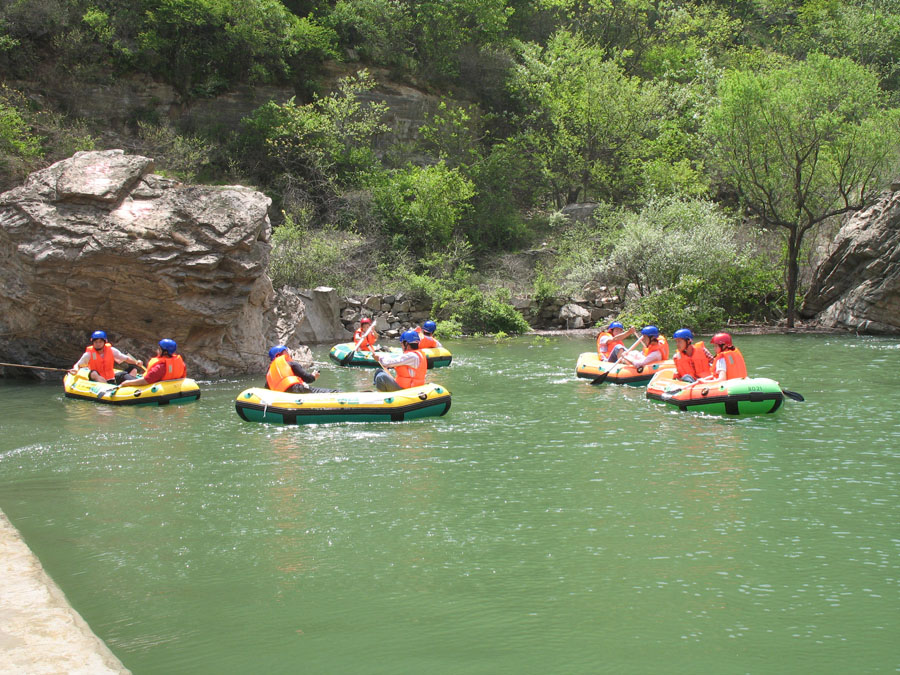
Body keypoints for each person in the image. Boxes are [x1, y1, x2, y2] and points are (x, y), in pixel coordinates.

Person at [69, 330, 142, 384]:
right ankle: (106, 386)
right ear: (93, 342)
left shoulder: (111, 350)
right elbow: (78, 365)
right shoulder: (88, 354)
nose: (98, 344)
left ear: (105, 342)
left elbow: (126, 359)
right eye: (96, 342)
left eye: (100, 342)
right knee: (93, 373)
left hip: (111, 379)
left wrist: (136, 362)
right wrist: (75, 369)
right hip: (98, 380)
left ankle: (135, 383)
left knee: (133, 369)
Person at [108, 339, 187, 388]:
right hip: (169, 386)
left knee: (120, 375)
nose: (157, 350)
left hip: (151, 387)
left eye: (159, 349)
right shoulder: (181, 363)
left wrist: (127, 383)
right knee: (132, 369)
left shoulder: (160, 367)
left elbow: (146, 381)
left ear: (165, 352)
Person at [266, 346, 337, 394]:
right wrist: (313, 376)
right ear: (279, 354)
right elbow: (307, 378)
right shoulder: (292, 364)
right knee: (335, 392)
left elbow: (267, 387)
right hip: (297, 390)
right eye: (286, 351)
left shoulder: (270, 371)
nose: (288, 353)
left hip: (283, 395)